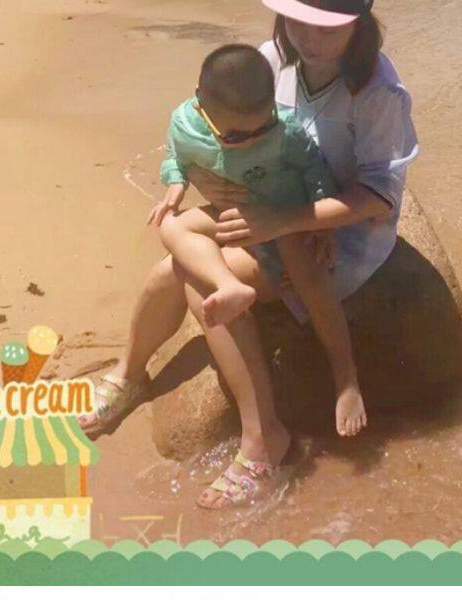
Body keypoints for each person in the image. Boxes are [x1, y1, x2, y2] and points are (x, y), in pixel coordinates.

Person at [80, 0, 418, 510]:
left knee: (189, 276)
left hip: (333, 233)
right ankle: (131, 374)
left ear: (359, 24)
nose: (308, 38)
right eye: (298, 22)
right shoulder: (271, 61)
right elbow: (211, 128)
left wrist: (287, 221)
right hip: (263, 207)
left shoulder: (378, 93)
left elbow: (378, 197)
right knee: (175, 258)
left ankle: (263, 439)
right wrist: (203, 181)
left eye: (326, 29)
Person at [149, 44, 355, 423]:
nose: (251, 141)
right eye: (234, 137)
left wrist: (321, 224)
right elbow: (176, 156)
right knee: (172, 226)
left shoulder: (285, 132)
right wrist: (175, 184)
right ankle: (228, 284)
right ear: (200, 106)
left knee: (312, 279)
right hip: (235, 216)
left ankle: (346, 379)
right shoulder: (184, 123)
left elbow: (315, 169)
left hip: (283, 217)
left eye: (263, 127)